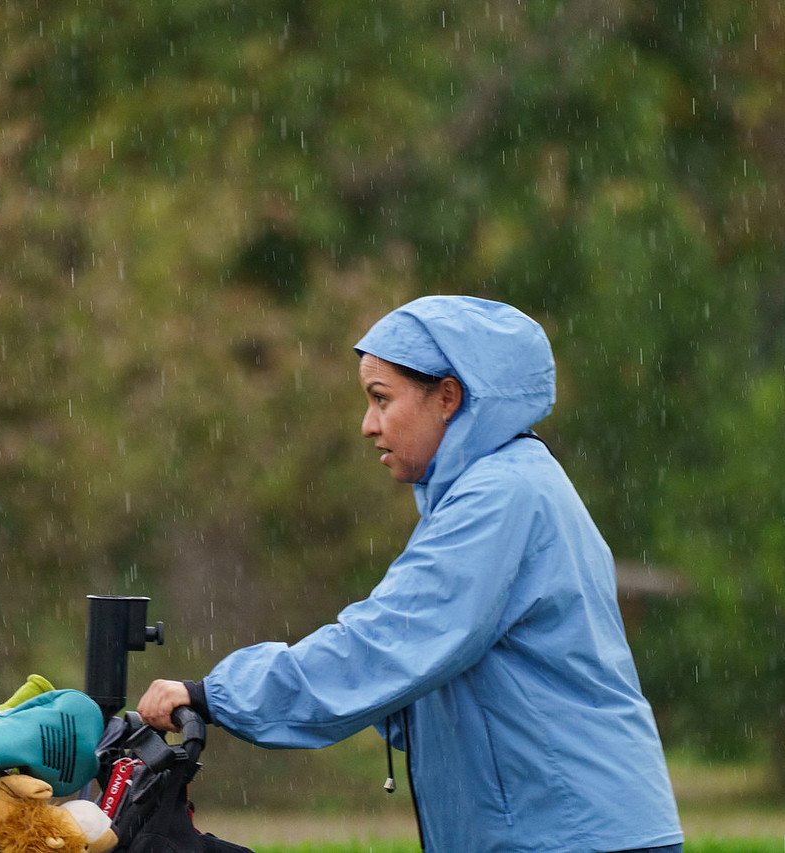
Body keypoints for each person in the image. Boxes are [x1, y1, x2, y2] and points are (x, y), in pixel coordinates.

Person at [137, 296, 683, 852]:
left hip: (571, 832)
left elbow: (383, 647)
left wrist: (214, 695)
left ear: (447, 397)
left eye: (381, 398)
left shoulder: (500, 497)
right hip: (562, 829)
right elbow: (410, 683)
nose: (367, 425)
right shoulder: (501, 486)